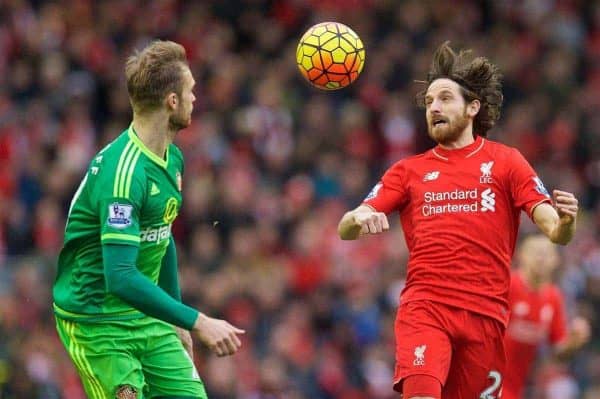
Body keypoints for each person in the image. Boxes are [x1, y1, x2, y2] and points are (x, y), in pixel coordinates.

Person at [337, 41, 579, 399]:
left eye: (445, 98)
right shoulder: (408, 171)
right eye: (429, 102)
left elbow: (556, 233)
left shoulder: (507, 162)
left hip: (486, 318)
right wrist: (360, 215)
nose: (433, 107)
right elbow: (346, 227)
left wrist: (568, 221)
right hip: (427, 307)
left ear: (472, 108)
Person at [52, 40, 245, 399]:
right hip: (98, 324)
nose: (195, 99)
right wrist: (197, 321)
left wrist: (176, 319)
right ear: (172, 101)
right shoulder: (124, 176)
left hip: (147, 317)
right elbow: (121, 277)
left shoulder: (172, 160)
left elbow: (162, 235)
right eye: (190, 92)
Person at [503, 234, 590, 399]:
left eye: (546, 253)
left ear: (556, 260)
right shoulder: (508, 285)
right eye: (535, 252)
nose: (541, 258)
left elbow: (558, 352)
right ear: (521, 255)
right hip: (486, 377)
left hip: (516, 386)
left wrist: (573, 341)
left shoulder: (553, 297)